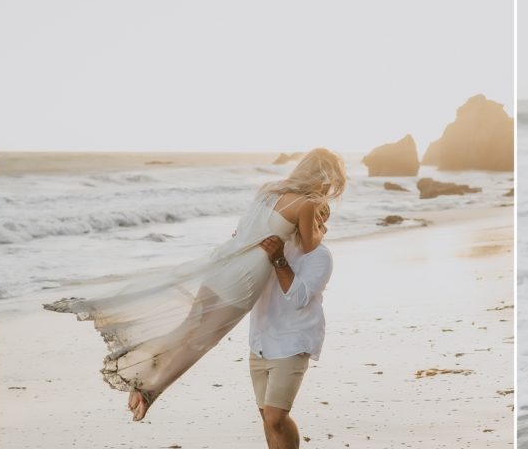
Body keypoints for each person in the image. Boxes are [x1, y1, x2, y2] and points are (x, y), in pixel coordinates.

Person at [45, 147, 347, 422]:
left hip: (224, 264)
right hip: (245, 278)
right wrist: (320, 225)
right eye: (331, 185)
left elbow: (245, 230)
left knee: (187, 328)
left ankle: (135, 367)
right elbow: (310, 245)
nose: (328, 192)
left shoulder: (268, 189)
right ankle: (148, 389)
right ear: (325, 179)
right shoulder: (307, 204)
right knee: (201, 340)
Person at [248, 202, 333, 449]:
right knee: (265, 412)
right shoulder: (272, 242)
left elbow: (298, 298)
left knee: (276, 416)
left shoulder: (320, 256)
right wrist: (244, 245)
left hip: (292, 342)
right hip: (260, 339)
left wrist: (278, 259)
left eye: (320, 215)